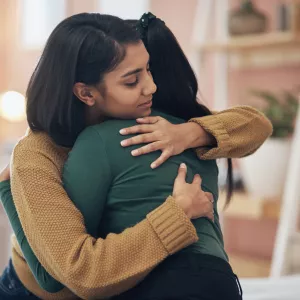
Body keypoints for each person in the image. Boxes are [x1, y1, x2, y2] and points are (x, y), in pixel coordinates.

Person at [0, 12, 271, 299]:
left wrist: (189, 133)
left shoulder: (149, 125)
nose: (151, 87)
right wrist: (177, 214)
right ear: (85, 93)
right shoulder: (37, 154)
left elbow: (255, 125)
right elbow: (76, 273)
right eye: (132, 81)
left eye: (148, 69)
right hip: (36, 291)